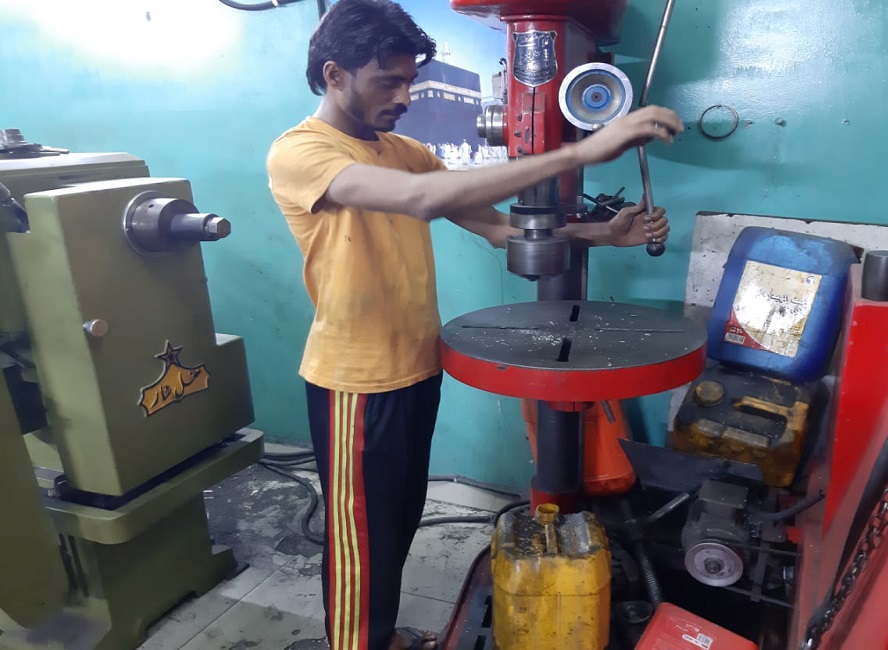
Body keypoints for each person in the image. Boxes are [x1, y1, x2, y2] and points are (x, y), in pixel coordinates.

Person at [265, 1, 683, 648]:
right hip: (355, 381)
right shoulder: (302, 151)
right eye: (388, 82)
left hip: (416, 366)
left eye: (410, 81)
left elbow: (495, 226)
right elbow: (420, 201)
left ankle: (381, 637)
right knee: (361, 546)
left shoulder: (404, 152)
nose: (405, 97)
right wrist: (584, 150)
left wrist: (603, 234)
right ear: (334, 74)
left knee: (398, 522)